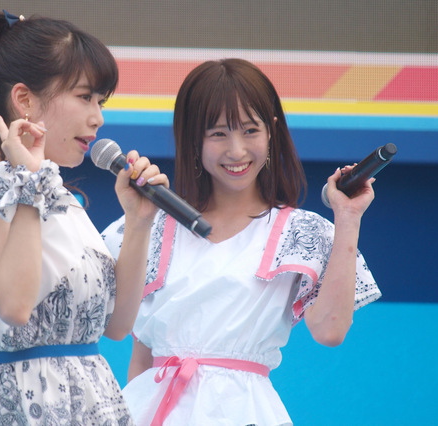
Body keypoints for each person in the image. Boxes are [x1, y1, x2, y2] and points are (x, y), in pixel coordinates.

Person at [102, 58, 382, 425]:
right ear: (193, 138)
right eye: (218, 134)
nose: (237, 151)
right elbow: (142, 356)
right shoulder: (148, 225)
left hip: (246, 411)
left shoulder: (303, 232)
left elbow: (330, 330)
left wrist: (348, 217)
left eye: (250, 131)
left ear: (272, 131)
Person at [0, 10, 168, 425]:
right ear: (24, 100)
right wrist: (30, 186)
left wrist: (138, 222)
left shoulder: (60, 196)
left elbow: (117, 326)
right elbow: (14, 304)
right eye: (84, 97)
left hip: (93, 399)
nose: (98, 117)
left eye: (101, 101)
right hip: (26, 404)